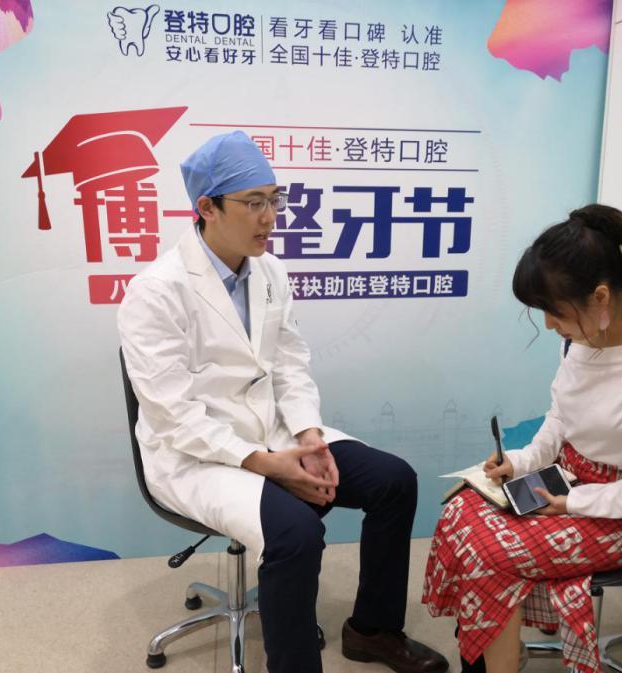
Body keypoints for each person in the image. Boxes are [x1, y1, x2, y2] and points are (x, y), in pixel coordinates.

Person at [118, 131, 448, 673]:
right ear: (207, 208)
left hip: (272, 431)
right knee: (296, 533)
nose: (270, 217)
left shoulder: (269, 271)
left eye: (275, 200)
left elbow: (290, 364)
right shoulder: (156, 291)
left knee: (394, 481)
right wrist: (268, 465)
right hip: (194, 457)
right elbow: (172, 415)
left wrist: (309, 437)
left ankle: (373, 631)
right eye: (253, 203)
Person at [422, 204, 622, 673]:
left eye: (554, 311)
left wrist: (574, 503)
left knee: (490, 551)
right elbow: (560, 420)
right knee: (461, 512)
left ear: (601, 298)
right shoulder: (579, 343)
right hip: (567, 481)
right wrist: (519, 462)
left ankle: (495, 663)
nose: (548, 324)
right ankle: (498, 653)